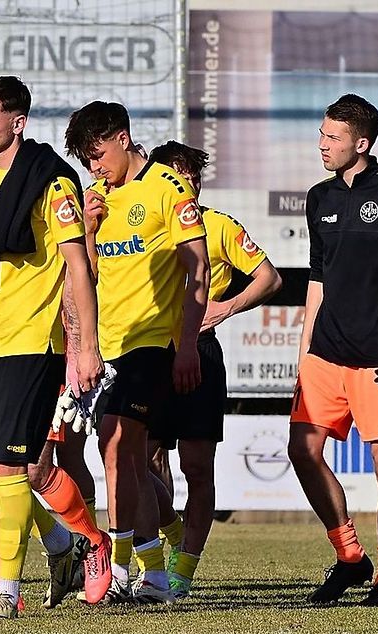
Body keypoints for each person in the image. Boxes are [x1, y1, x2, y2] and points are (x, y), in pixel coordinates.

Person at [0, 73, 109, 620]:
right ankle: (75, 542)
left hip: (32, 346)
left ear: (18, 123)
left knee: (14, 473)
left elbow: (79, 269)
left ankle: (6, 592)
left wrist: (85, 349)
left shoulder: (52, 183)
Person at [289, 94, 378, 607]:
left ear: (362, 143)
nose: (322, 145)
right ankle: (351, 557)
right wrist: (304, 350)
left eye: (332, 137)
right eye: (322, 135)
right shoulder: (317, 197)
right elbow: (318, 277)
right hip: (326, 353)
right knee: (301, 451)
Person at [65, 101, 211, 604]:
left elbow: (198, 270)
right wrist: (87, 229)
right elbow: (82, 277)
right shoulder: (96, 198)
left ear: (123, 138)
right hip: (106, 346)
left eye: (98, 154)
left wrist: (188, 344)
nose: (95, 167)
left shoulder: (169, 189)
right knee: (119, 454)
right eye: (87, 161)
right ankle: (135, 567)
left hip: (152, 340)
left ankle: (139, 567)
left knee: (120, 443)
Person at [144, 141, 282, 598]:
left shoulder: (219, 226)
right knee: (139, 460)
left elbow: (270, 277)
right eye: (180, 178)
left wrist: (226, 307)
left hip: (200, 354)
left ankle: (182, 569)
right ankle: (163, 539)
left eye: (195, 179)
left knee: (197, 467)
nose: (190, 187)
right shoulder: (140, 222)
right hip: (148, 353)